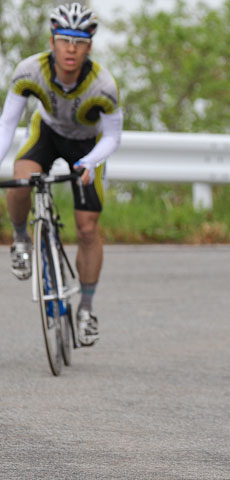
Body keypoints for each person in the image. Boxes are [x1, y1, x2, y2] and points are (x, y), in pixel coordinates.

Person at [0, 3, 122, 346]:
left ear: (89, 46)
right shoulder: (29, 70)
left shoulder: (103, 84)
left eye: (80, 41)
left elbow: (113, 136)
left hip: (88, 146)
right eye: (65, 40)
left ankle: (85, 308)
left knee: (87, 228)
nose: (71, 48)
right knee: (21, 180)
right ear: (52, 40)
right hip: (47, 133)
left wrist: (90, 162)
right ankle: (21, 238)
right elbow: (8, 123)